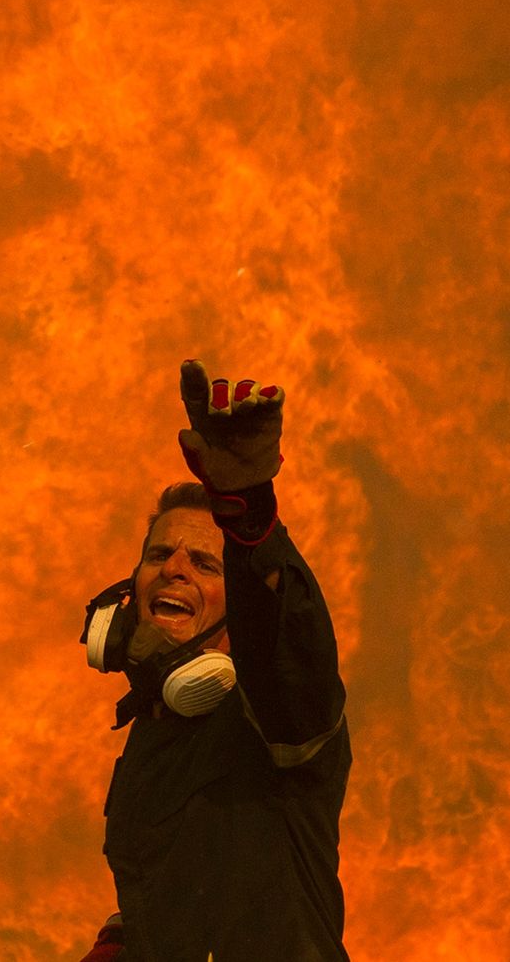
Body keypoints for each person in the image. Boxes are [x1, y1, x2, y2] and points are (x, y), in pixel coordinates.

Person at [77, 360, 351, 962]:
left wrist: (248, 511)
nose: (174, 567)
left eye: (205, 563)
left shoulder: (279, 721)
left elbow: (287, 642)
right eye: (159, 555)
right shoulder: (152, 738)